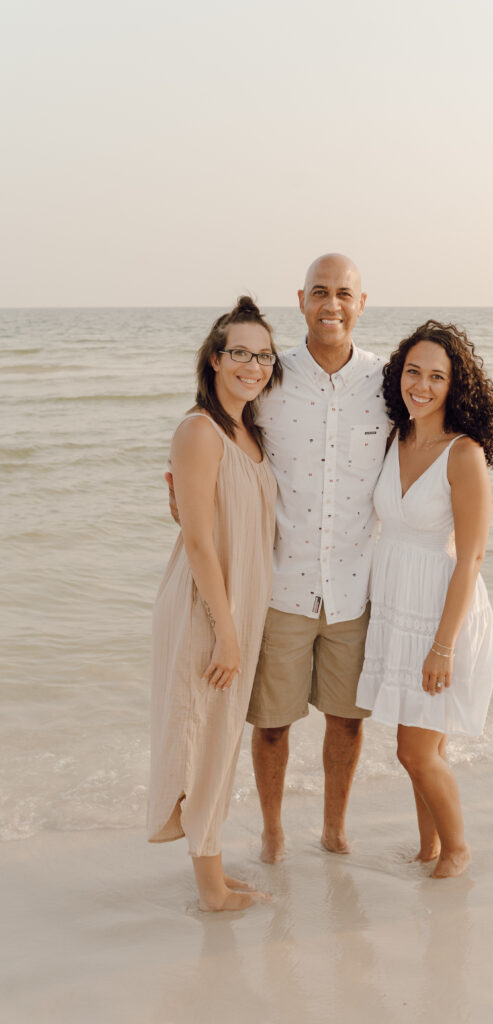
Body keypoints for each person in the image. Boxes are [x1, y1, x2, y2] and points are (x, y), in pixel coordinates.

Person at [247, 253, 391, 862]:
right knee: (271, 723)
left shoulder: (389, 381)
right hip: (283, 582)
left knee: (347, 721)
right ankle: (273, 831)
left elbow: (436, 444)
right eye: (320, 292)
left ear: (362, 302)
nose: (332, 304)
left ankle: (334, 828)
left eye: (344, 293)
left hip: (355, 585)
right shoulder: (268, 377)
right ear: (301, 299)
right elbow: (218, 429)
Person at [355, 320, 493, 878]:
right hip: (396, 608)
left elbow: (471, 559)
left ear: (454, 385)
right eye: (413, 372)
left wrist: (442, 646)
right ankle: (430, 849)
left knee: (415, 751)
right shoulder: (396, 437)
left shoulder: (463, 454)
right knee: (418, 748)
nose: (421, 385)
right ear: (399, 375)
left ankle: (459, 849)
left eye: (436, 376)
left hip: (440, 613)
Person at [147, 296, 282, 912]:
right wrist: (225, 631)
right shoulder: (199, 431)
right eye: (239, 353)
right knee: (202, 731)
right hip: (210, 603)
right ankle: (210, 890)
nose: (252, 365)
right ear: (215, 358)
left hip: (243, 601)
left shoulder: (249, 431)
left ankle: (216, 873)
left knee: (222, 734)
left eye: (263, 355)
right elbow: (199, 542)